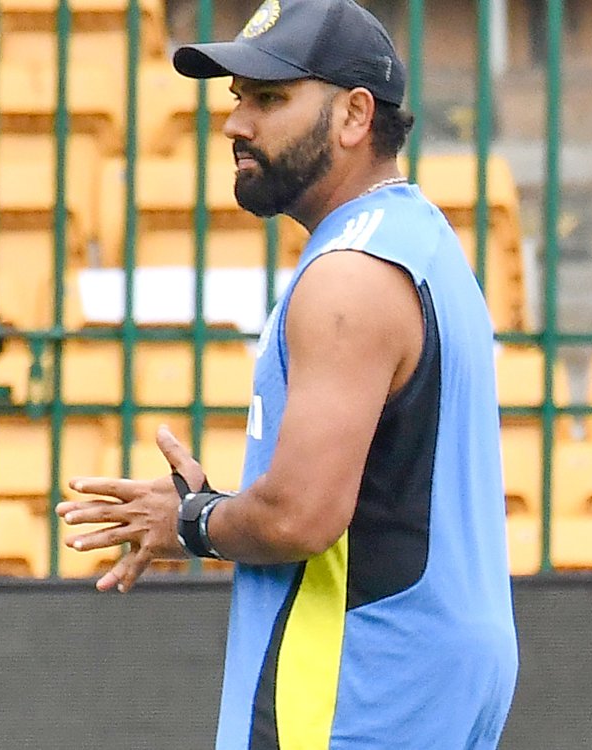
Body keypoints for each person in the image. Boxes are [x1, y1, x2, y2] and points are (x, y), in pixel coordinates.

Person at [55, 0, 519, 746]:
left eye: (269, 99)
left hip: (352, 685)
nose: (236, 124)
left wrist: (190, 520)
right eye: (238, 97)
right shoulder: (419, 241)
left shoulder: (348, 277)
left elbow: (301, 516)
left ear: (354, 115)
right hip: (424, 674)